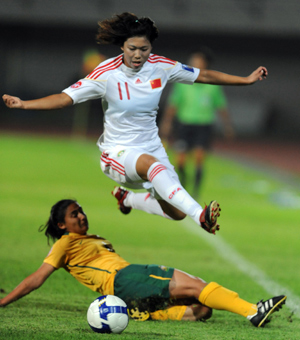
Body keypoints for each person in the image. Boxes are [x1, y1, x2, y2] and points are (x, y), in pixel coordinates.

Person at [2, 12, 268, 235]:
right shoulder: (106, 73)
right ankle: (201, 215)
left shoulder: (161, 66)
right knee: (161, 177)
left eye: (144, 48)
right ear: (122, 47)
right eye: (132, 48)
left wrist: (245, 79)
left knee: (175, 213)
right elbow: (64, 98)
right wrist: (25, 104)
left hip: (150, 147)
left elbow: (203, 75)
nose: (138, 54)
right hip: (117, 153)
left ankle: (128, 198)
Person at [0, 199, 286, 327]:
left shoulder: (90, 239)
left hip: (123, 291)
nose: (82, 216)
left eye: (81, 211)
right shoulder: (65, 243)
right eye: (75, 214)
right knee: (195, 285)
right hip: (124, 278)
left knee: (201, 310)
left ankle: (145, 313)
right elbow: (36, 278)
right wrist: (4, 302)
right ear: (63, 225)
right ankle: (253, 311)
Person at [160, 47, 234, 199]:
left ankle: (195, 191)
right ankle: (183, 183)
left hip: (203, 125)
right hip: (184, 124)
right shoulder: (183, 82)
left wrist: (227, 125)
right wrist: (167, 122)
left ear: (205, 64)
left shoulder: (212, 84)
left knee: (199, 157)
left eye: (198, 61)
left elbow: (221, 106)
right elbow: (174, 104)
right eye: (192, 61)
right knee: (180, 159)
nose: (194, 64)